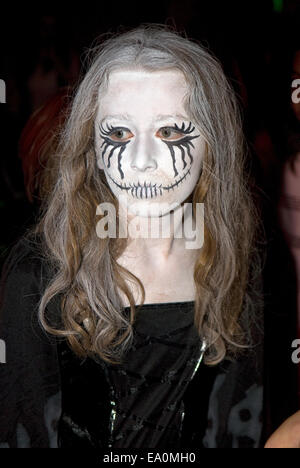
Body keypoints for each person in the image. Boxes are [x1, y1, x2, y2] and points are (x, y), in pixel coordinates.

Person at [0, 25, 264, 449]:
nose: (141, 161)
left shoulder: (232, 261)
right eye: (119, 134)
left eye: (170, 132)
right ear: (91, 146)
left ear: (212, 146)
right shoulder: (42, 274)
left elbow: (240, 422)